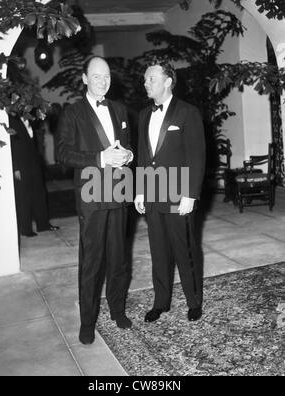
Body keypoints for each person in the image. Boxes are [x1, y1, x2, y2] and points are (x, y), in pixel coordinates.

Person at [57, 56, 134, 345]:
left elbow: (126, 147)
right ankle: (87, 322)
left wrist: (128, 155)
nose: (103, 81)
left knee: (118, 258)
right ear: (85, 78)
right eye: (97, 76)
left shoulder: (120, 109)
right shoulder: (72, 113)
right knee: (91, 262)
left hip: (118, 192)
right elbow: (62, 154)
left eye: (107, 77)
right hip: (90, 195)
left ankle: (117, 310)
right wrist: (100, 158)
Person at [134, 60, 206, 323]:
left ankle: (194, 301)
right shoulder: (144, 114)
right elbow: (144, 155)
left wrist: (190, 194)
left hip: (178, 193)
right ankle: (161, 302)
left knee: (184, 248)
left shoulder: (188, 112)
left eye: (150, 79)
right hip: (153, 192)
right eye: (144, 79)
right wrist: (140, 191)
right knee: (158, 251)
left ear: (167, 81)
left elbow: (196, 155)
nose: (145, 83)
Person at [10, 115, 59, 238]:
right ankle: (25, 229)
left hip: (33, 161)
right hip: (21, 164)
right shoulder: (11, 120)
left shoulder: (28, 119)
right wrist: (15, 167)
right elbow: (12, 145)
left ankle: (43, 225)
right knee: (24, 197)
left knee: (40, 193)